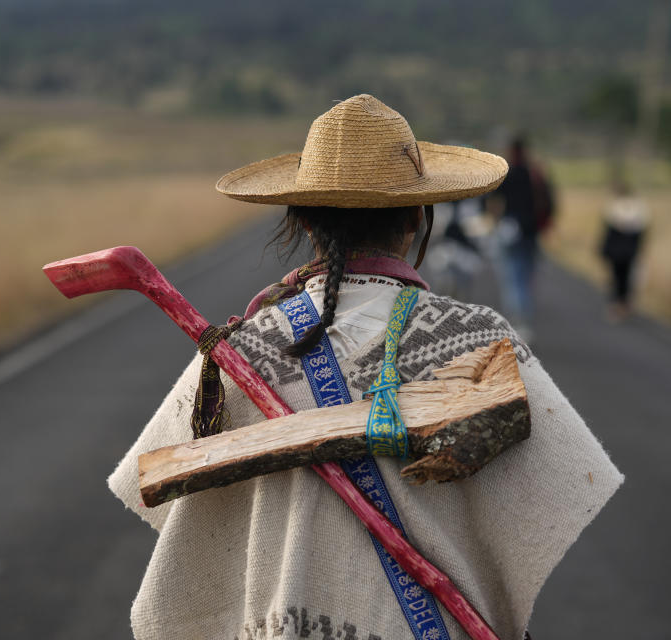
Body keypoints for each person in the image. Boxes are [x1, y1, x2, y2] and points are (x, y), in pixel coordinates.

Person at [107, 95, 621, 640]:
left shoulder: (239, 352)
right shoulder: (480, 341)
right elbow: (555, 489)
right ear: (419, 218)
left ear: (302, 219)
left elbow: (162, 494)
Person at [484, 137, 555, 340]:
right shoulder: (535, 173)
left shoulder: (509, 172)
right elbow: (549, 203)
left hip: (510, 231)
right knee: (526, 277)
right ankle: (525, 319)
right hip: (532, 233)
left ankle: (517, 321)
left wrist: (495, 221)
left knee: (512, 278)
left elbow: (492, 197)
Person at [599, 180, 649, 320]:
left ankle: (620, 304)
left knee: (619, 277)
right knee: (626, 277)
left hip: (619, 250)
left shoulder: (615, 208)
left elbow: (608, 233)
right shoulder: (638, 208)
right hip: (628, 249)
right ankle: (623, 303)